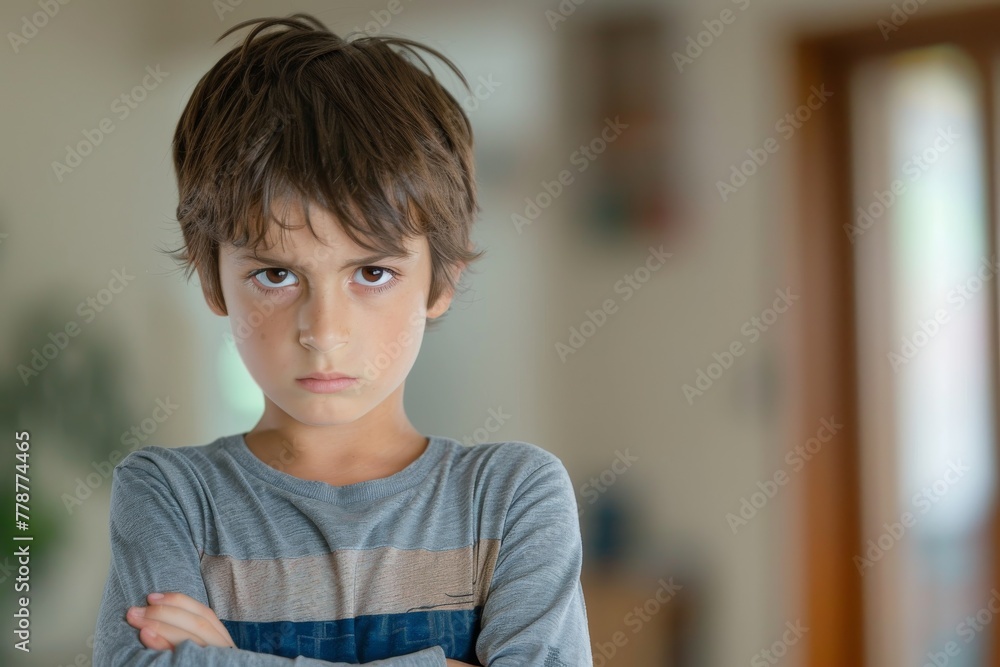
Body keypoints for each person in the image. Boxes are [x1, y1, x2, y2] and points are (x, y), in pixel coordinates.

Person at [91, 12, 593, 667]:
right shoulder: (172, 495)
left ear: (441, 282)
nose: (323, 332)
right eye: (276, 273)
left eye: (372, 272)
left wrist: (222, 658)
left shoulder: (511, 495)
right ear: (213, 281)